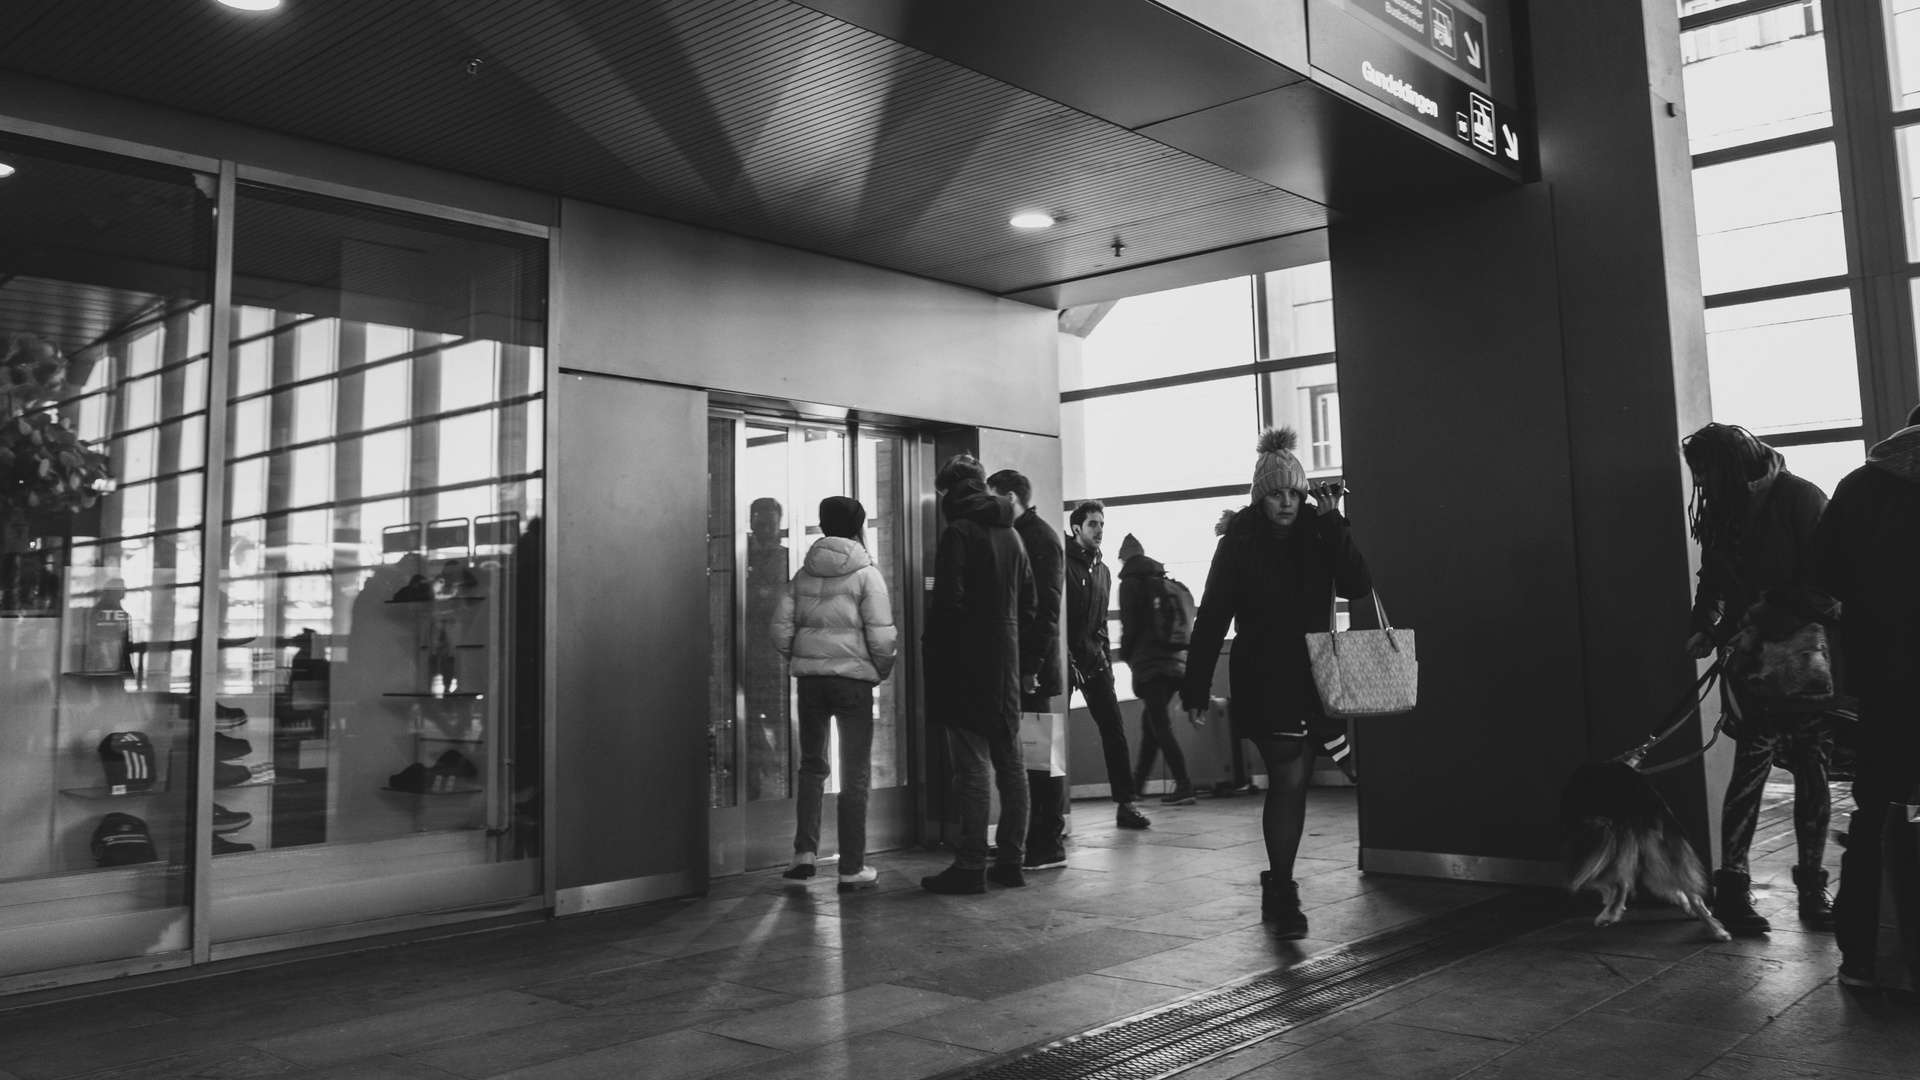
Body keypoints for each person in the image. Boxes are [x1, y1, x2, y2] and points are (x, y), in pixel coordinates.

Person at [1180, 428, 1369, 938]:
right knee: (1287, 777)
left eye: (1294, 493)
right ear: (1260, 497)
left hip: (1313, 675)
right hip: (1265, 674)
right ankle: (1283, 888)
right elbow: (1212, 615)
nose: (1286, 503)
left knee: (1299, 779)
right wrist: (1195, 687)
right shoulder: (1239, 542)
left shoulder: (1319, 529)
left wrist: (1333, 522)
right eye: (1276, 494)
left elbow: (1356, 586)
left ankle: (1278, 885)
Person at [1681, 423, 1835, 934]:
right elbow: (1712, 577)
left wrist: (1759, 628)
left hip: (1801, 657)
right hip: (1749, 661)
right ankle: (1734, 893)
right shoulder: (1725, 509)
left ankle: (1814, 890)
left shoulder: (1800, 498)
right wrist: (1704, 625)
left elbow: (1825, 583)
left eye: (1705, 470)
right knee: (1751, 769)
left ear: (1732, 461)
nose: (1700, 481)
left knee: (1810, 768)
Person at [1806, 403, 1920, 985]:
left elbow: (1819, 578)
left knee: (1876, 812)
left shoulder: (1861, 483)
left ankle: (1864, 955)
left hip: (1885, 684)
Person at [922, 454, 1039, 894]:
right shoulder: (1012, 534)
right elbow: (1029, 605)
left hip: (966, 665)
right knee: (1011, 764)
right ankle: (1011, 861)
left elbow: (947, 604)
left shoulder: (959, 532)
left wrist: (935, 650)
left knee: (970, 768)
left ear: (951, 492)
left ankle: (971, 864)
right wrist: (1004, 639)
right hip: (1004, 663)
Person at [771, 496, 897, 891]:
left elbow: (779, 629)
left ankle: (804, 856)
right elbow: (882, 636)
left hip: (811, 683)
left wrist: (802, 657)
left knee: (812, 765)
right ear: (858, 524)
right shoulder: (867, 574)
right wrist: (879, 670)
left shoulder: (803, 574)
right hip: (853, 682)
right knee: (854, 773)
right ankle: (851, 866)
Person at [988, 469, 1070, 871]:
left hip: (1031, 668)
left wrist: (1031, 667)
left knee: (1040, 759)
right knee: (1031, 757)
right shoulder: (1023, 534)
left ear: (1009, 497)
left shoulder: (1039, 538)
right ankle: (1031, 840)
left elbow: (1045, 610)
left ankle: (1048, 842)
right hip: (1024, 665)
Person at [1065, 501, 1151, 829]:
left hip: (1095, 662)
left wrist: (1105, 660)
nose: (1099, 530)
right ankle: (1049, 812)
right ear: (1076, 529)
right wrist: (1067, 660)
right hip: (1066, 661)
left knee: (1114, 729)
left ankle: (1126, 805)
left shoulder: (1103, 571)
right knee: (1052, 733)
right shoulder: (1063, 565)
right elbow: (1057, 619)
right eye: (1092, 524)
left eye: (1101, 524)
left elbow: (1100, 622)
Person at [1117, 533, 1198, 805]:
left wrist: (1127, 655)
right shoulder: (1163, 580)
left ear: (1124, 559)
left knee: (1159, 725)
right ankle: (1137, 785)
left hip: (1152, 665)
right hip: (1177, 662)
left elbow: (1129, 627)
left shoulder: (1130, 583)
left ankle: (1184, 785)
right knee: (1151, 723)